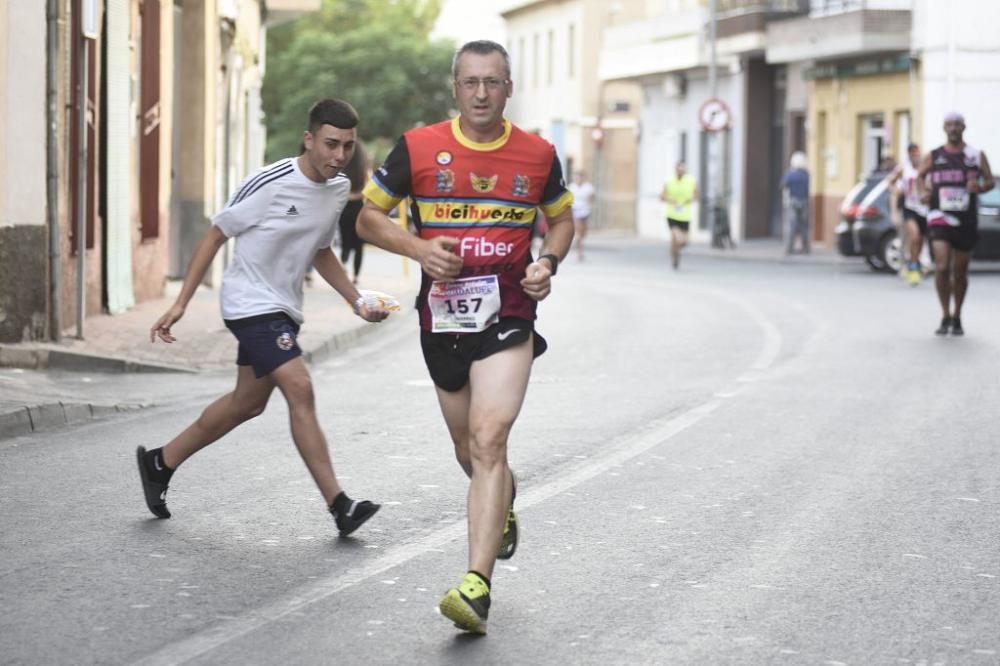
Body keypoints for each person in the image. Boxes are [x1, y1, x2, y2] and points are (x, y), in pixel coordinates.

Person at [356, 40, 574, 634]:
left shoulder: (537, 154)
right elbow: (367, 217)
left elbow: (561, 219)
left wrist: (547, 263)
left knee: (488, 439)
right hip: (443, 320)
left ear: (509, 88)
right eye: (471, 82)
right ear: (456, 89)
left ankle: (475, 587)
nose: (482, 93)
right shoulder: (419, 148)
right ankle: (500, 500)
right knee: (469, 453)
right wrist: (419, 248)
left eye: (493, 83)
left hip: (508, 313)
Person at [137, 99, 387, 536]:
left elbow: (322, 251)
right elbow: (216, 234)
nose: (339, 155)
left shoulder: (334, 190)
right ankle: (339, 505)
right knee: (299, 387)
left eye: (347, 146)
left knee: (247, 403)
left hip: (284, 307)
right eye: (330, 144)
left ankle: (160, 462)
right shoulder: (271, 181)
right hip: (249, 303)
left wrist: (357, 300)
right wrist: (180, 303)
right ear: (309, 139)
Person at [918, 112, 994, 336]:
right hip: (939, 216)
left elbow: (989, 180)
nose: (953, 128)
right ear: (944, 128)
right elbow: (919, 177)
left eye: (957, 124)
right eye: (949, 124)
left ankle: (957, 315)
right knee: (941, 267)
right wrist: (923, 192)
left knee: (960, 272)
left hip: (965, 219)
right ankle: (944, 314)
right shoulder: (934, 155)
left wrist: (979, 187)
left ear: (964, 127)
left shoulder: (975, 155)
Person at [888, 143, 930, 285]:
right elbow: (890, 182)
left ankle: (914, 263)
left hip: (924, 209)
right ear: (909, 155)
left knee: (920, 240)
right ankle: (912, 268)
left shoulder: (926, 168)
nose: (915, 157)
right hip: (910, 207)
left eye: (917, 154)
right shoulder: (903, 168)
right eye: (912, 154)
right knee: (915, 236)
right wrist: (896, 191)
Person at [338, 142, 369, 284]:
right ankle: (356, 276)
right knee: (358, 246)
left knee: (345, 241)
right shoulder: (363, 170)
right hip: (358, 208)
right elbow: (369, 190)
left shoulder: (342, 169)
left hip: (344, 207)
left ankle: (343, 265)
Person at [660, 161, 698, 269]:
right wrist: (671, 200)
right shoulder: (669, 181)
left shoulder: (690, 181)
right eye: (679, 169)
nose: (681, 171)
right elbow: (662, 196)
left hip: (685, 216)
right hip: (672, 215)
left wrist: (690, 199)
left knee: (685, 242)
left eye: (683, 169)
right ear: (676, 169)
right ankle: (674, 255)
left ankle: (675, 252)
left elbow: (696, 194)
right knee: (678, 238)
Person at [781, 151, 810, 255]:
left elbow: (783, 185)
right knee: (804, 226)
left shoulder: (790, 174)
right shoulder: (806, 174)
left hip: (792, 201)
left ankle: (789, 248)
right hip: (804, 201)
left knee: (791, 225)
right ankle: (806, 248)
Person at [567, 169, 594, 261]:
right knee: (578, 233)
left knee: (583, 233)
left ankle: (579, 240)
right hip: (575, 212)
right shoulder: (571, 187)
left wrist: (590, 204)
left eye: (580, 176)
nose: (578, 178)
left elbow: (591, 198)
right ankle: (580, 252)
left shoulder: (588, 187)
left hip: (585, 212)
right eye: (576, 176)